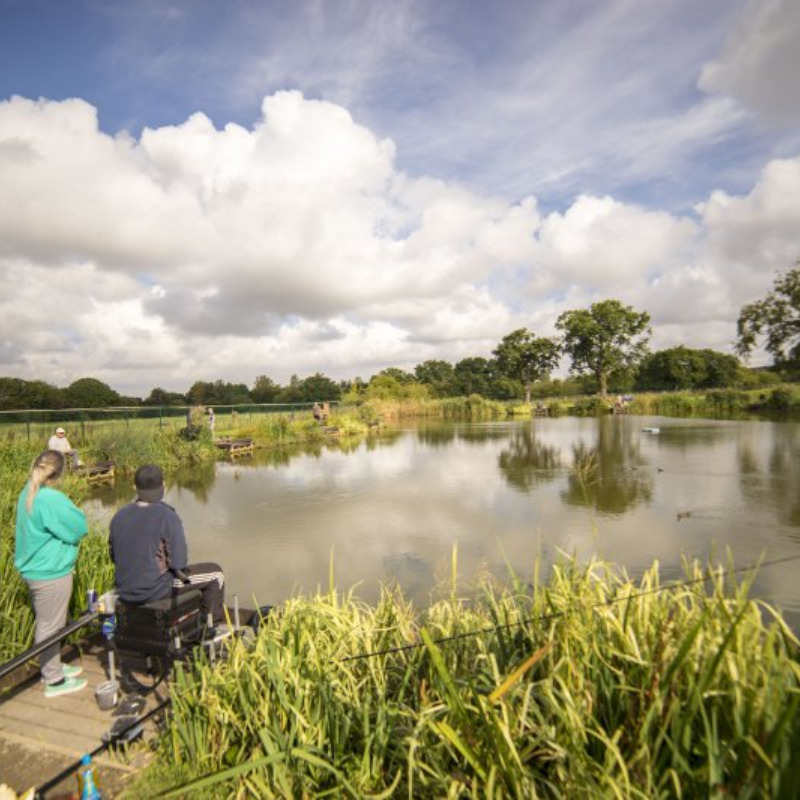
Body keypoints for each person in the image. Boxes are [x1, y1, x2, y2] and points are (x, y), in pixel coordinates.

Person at [109, 464, 225, 623]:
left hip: (125, 590)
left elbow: (114, 556)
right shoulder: (167, 516)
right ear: (164, 485)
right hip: (155, 591)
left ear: (134, 487)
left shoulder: (119, 516)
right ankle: (209, 629)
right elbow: (179, 563)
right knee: (215, 573)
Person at [14, 450, 89, 697]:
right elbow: (78, 527)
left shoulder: (28, 493)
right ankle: (54, 680)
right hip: (50, 573)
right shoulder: (50, 499)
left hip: (36, 570)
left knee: (53, 622)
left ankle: (53, 665)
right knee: (50, 626)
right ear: (58, 474)